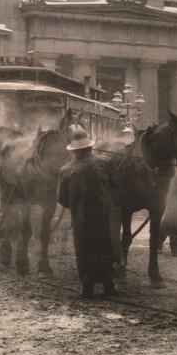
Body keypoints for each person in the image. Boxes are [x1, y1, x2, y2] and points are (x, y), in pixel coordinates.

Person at [58, 127, 122, 298]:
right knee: (108, 247)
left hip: (81, 217)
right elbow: (115, 185)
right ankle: (110, 286)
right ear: (89, 147)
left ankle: (87, 287)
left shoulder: (66, 169)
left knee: (85, 250)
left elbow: (62, 198)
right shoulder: (106, 162)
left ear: (74, 150)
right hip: (105, 215)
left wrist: (77, 206)